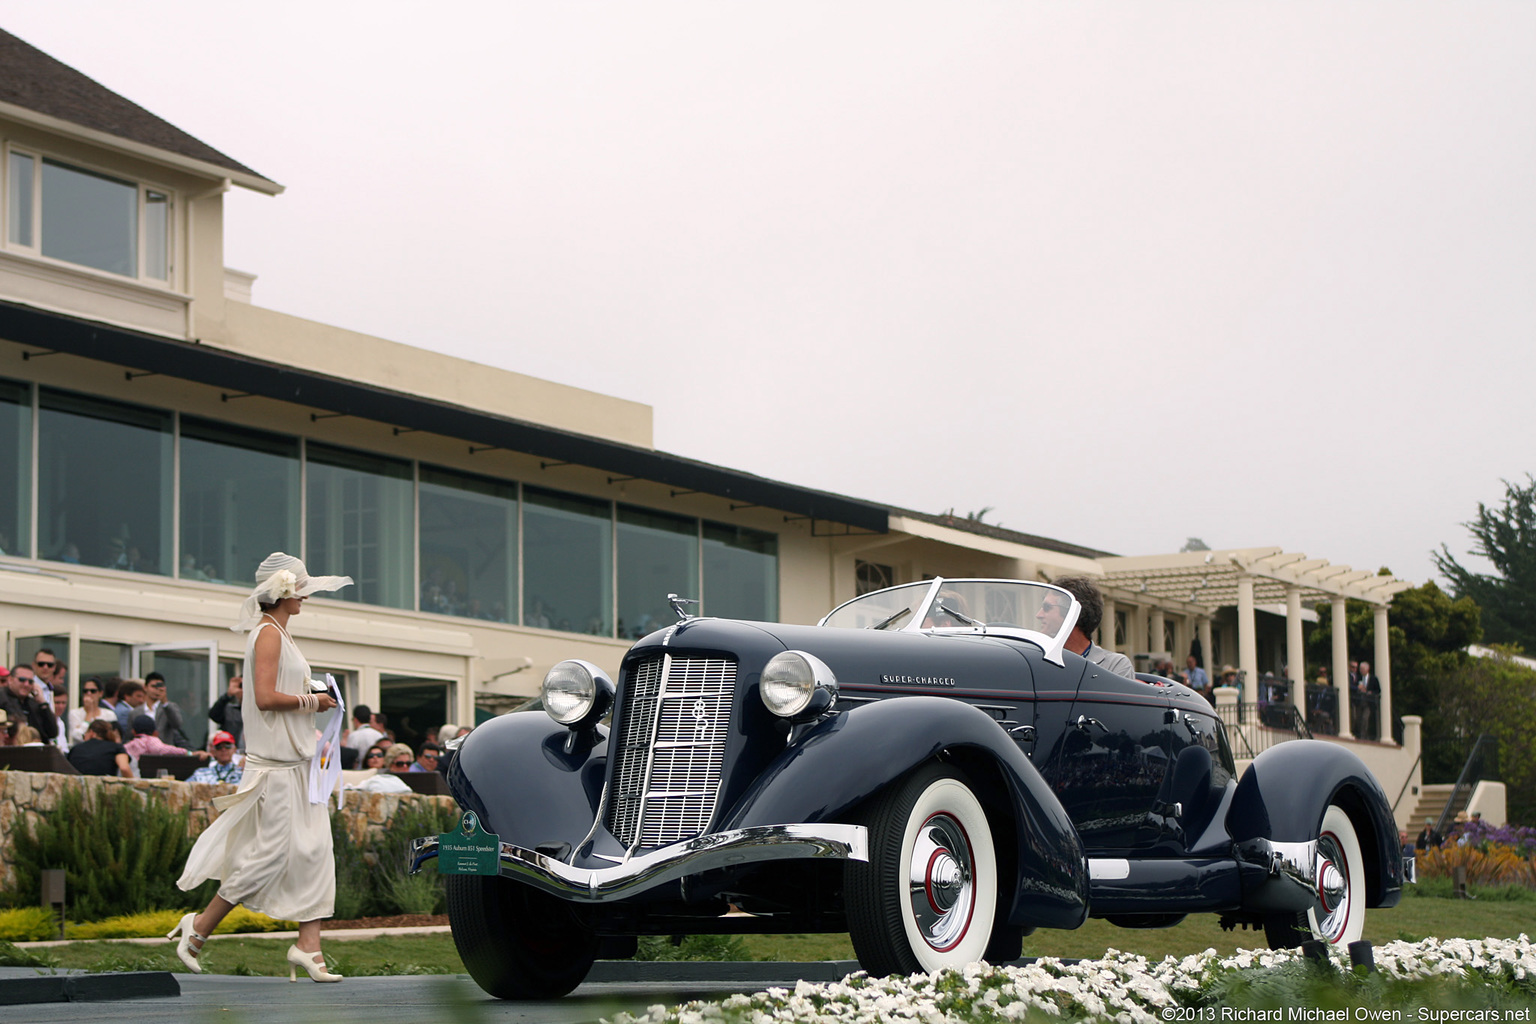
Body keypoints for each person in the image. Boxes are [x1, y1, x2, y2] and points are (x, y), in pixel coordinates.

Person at [171, 552, 352, 982]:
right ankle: (197, 928)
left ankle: (310, 948)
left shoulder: (282, 635)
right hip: (273, 769)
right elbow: (265, 697)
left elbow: (279, 691)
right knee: (265, 857)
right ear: (285, 592)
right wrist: (316, 700)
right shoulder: (266, 634)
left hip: (299, 765)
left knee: (316, 852)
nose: (306, 595)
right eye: (302, 588)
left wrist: (312, 692)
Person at [1038, 577, 1136, 679]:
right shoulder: (1036, 661)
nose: (1038, 615)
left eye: (1047, 608)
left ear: (1072, 614)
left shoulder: (1115, 666)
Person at [0, 665, 59, 742]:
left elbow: (52, 733)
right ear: (10, 680)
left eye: (30, 681)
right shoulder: (2, 697)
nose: (26, 684)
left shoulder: (34, 703)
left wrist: (43, 703)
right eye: (22, 680)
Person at [124, 714, 210, 766]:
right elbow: (165, 750)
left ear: (133, 732)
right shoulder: (151, 741)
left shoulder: (127, 746)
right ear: (155, 733)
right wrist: (190, 753)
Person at [67, 719, 132, 777]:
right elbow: (124, 768)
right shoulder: (116, 747)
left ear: (91, 732)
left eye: (84, 735)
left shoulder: (75, 749)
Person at [146, 672, 192, 749]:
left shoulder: (169, 707)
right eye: (153, 686)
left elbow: (177, 724)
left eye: (159, 687)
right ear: (145, 687)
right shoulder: (137, 711)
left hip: (164, 751)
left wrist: (165, 702)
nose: (156, 690)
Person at [69, 677, 117, 744]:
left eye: (93, 691)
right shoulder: (75, 713)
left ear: (100, 693)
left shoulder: (109, 714)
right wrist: (89, 714)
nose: (89, 693)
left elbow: (113, 737)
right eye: (85, 691)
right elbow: (78, 736)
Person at [208, 675, 245, 750]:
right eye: (241, 686)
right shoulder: (230, 709)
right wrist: (228, 695)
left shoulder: (261, 710)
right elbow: (213, 715)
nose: (243, 690)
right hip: (232, 754)